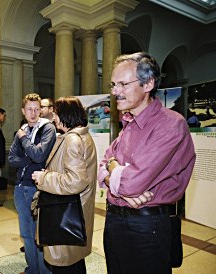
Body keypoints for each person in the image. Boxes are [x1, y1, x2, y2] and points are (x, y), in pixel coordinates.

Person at [98, 52, 196, 274]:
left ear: (148, 83)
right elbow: (103, 163)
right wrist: (114, 171)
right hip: (114, 221)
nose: (115, 92)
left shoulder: (170, 124)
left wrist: (117, 176)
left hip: (146, 227)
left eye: (123, 84)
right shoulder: (128, 123)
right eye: (113, 84)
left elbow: (130, 184)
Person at [32, 96, 97, 273]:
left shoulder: (72, 140)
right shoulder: (81, 136)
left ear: (66, 115)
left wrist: (44, 178)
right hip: (76, 211)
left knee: (66, 267)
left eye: (56, 114)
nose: (54, 118)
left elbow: (75, 181)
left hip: (65, 214)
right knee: (74, 263)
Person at [8, 93, 56, 274]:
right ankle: (32, 270)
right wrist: (30, 156)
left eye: (37, 109)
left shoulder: (47, 128)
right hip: (20, 188)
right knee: (26, 235)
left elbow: (39, 155)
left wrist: (24, 141)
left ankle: (44, 272)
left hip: (37, 189)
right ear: (23, 111)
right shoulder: (23, 129)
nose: (34, 113)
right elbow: (12, 159)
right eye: (29, 109)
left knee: (39, 236)